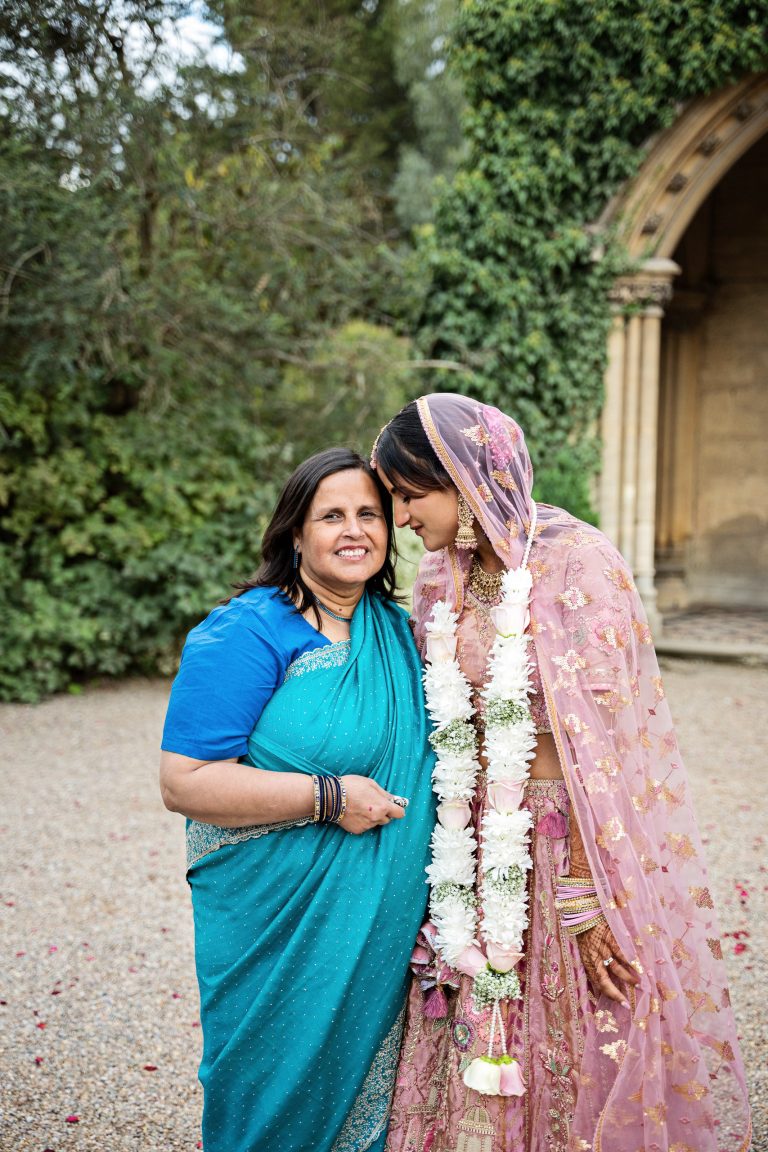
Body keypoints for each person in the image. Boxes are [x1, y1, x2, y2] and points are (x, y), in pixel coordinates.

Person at [371, 395, 751, 1152]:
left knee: (579, 1011)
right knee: (464, 1013)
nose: (402, 517)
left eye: (412, 494)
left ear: (463, 477)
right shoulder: (439, 578)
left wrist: (585, 885)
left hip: (564, 833)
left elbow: (605, 746)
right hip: (464, 838)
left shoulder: (577, 563)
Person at [159, 447, 436, 1152]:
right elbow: (184, 780)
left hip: (382, 925)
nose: (355, 530)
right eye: (331, 515)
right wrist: (328, 796)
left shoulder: (402, 633)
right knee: (268, 1091)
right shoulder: (247, 631)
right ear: (294, 533)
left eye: (369, 513)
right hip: (273, 919)